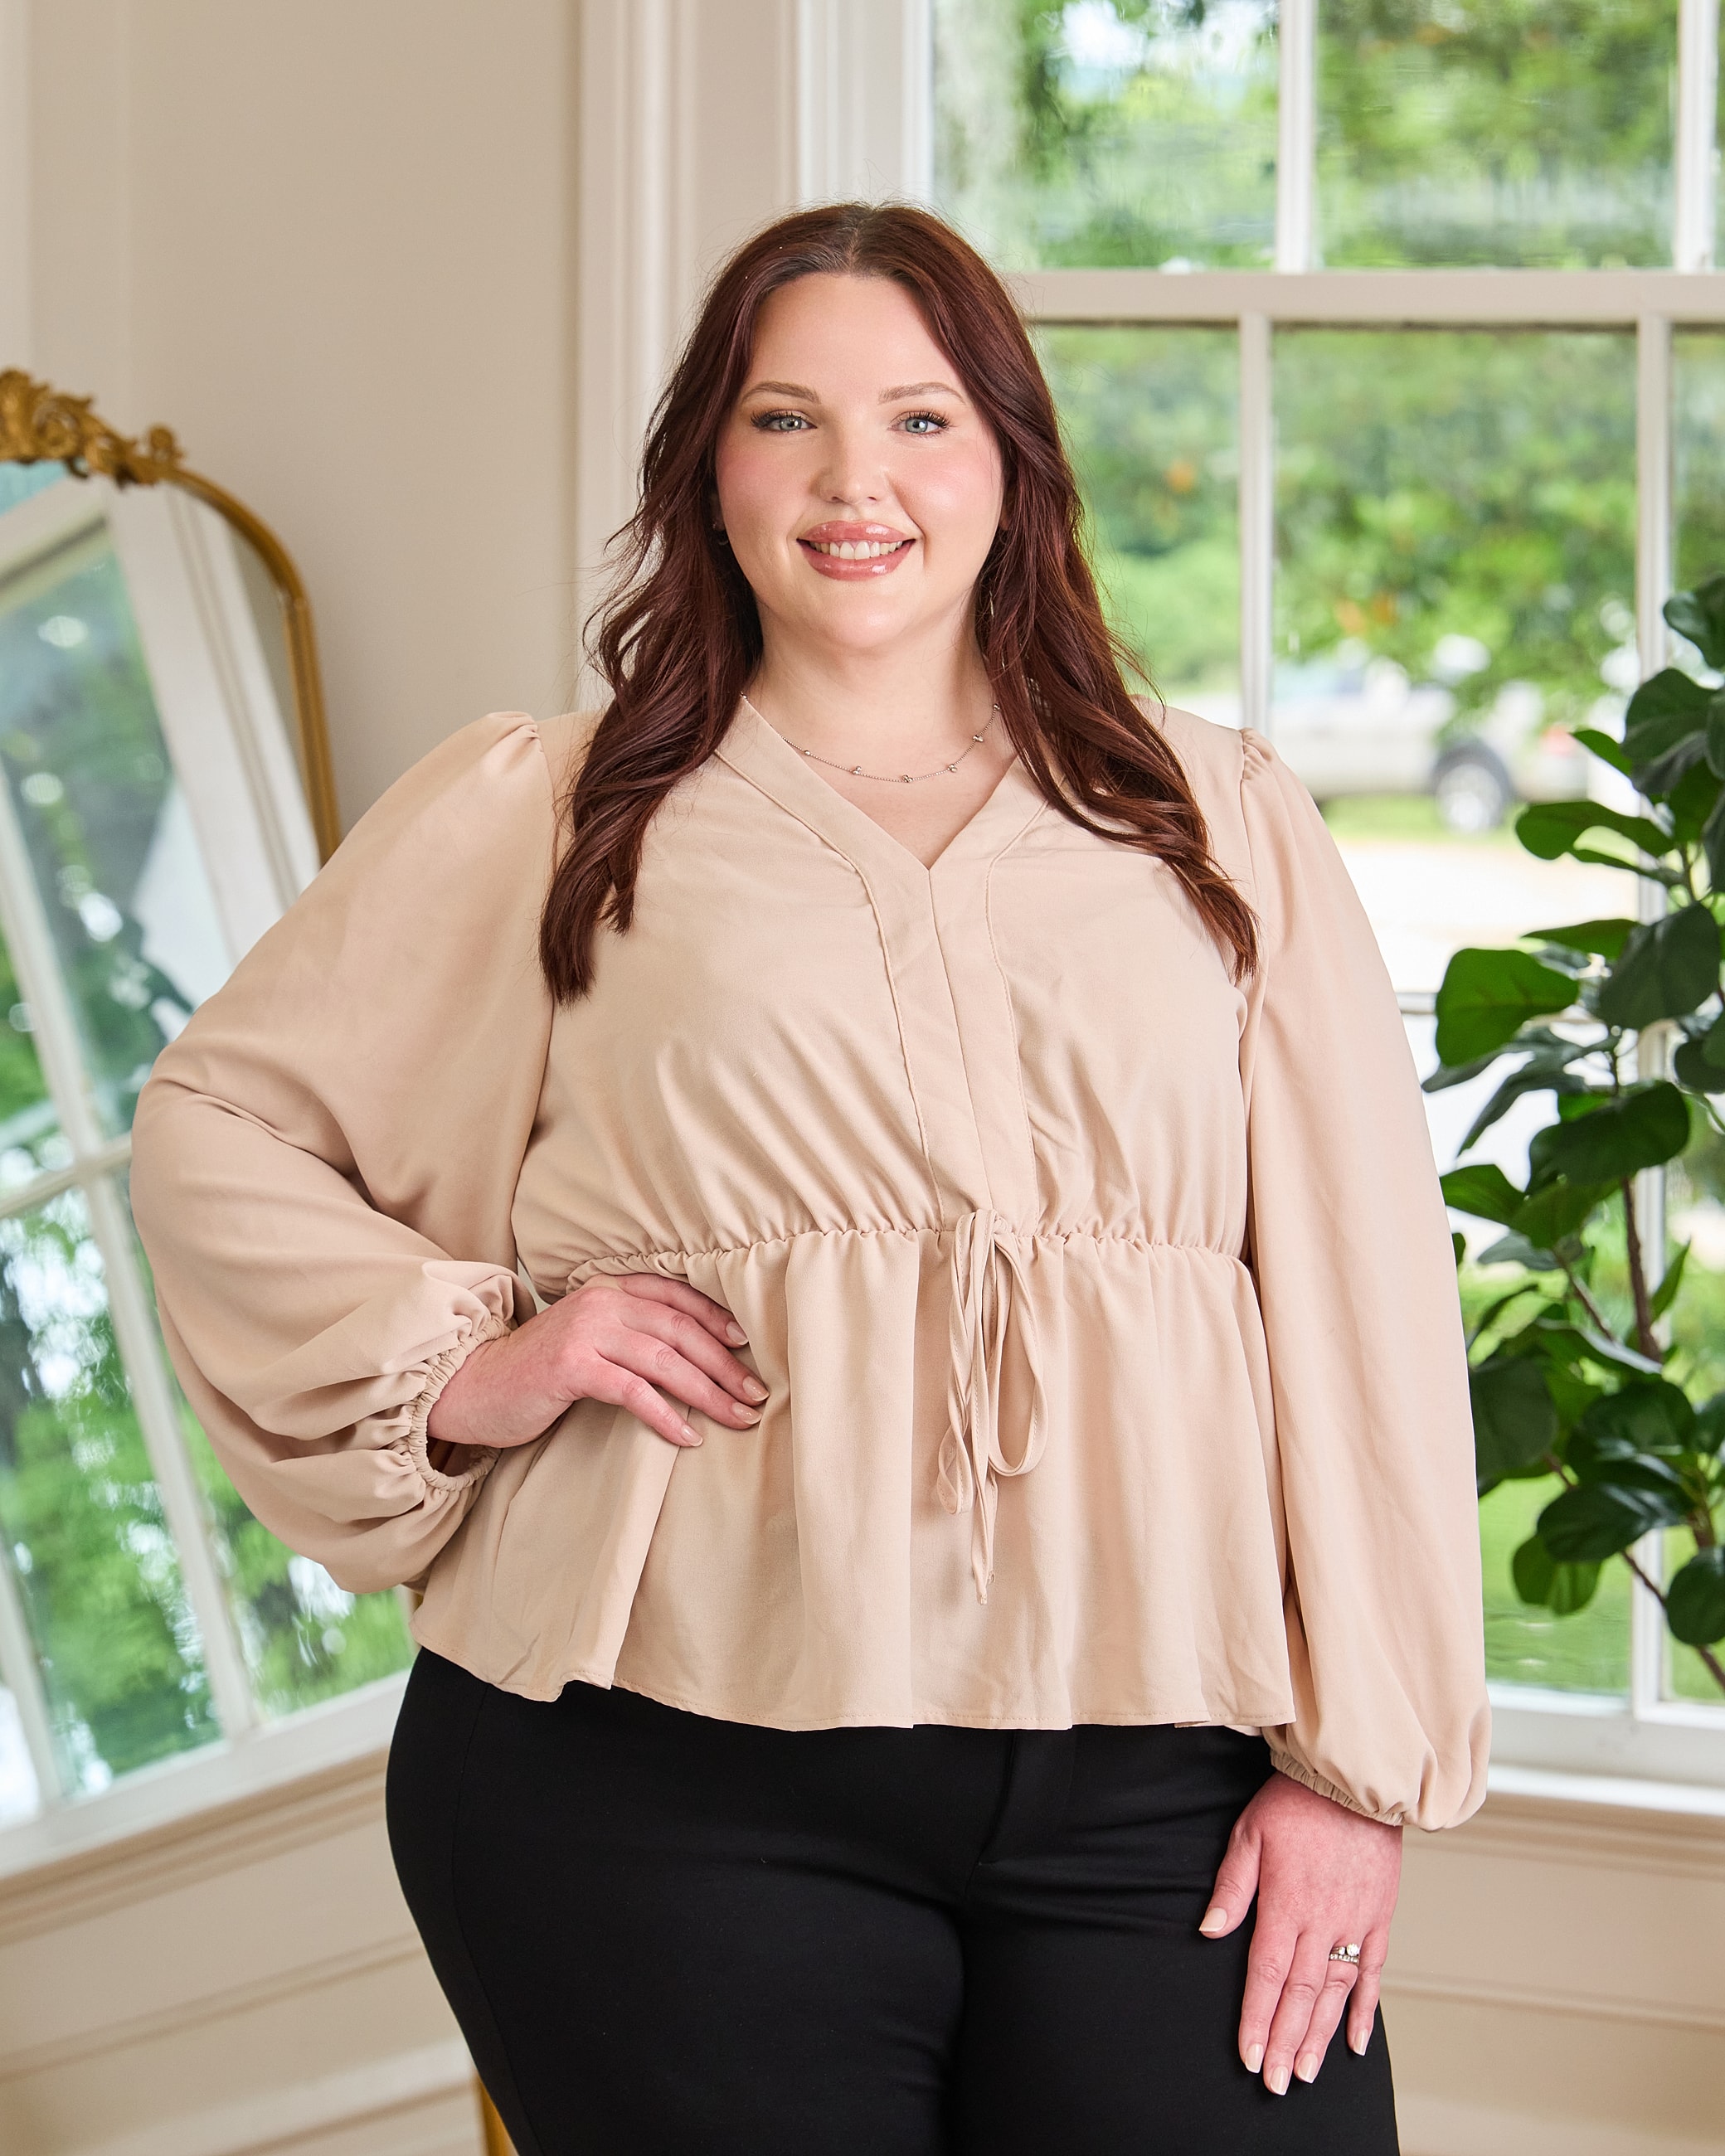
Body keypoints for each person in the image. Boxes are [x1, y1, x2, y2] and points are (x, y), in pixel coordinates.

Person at [129, 202, 1489, 2155]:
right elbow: (222, 1125)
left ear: (1010, 462)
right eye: (786, 420)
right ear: (711, 467)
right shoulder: (554, 809)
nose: (857, 482)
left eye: (921, 420)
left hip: (1155, 1778)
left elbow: (1366, 1317)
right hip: (643, 1780)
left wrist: (1358, 1769)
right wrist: (477, 1362)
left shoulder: (1217, 821)